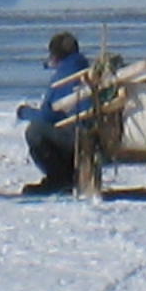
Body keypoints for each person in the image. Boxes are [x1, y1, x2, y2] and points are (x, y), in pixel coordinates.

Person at [18, 30, 95, 194]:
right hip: (91, 130)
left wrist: (24, 112)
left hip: (79, 135)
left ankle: (59, 179)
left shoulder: (64, 75)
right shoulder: (85, 69)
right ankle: (66, 176)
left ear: (55, 56)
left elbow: (48, 115)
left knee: (35, 131)